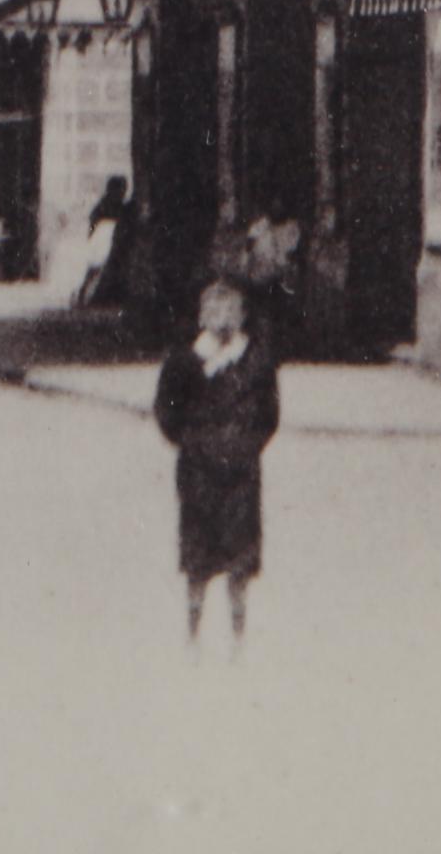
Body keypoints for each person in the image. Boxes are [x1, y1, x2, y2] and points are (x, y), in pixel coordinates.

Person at [152, 279, 279, 656]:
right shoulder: (184, 360)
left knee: (240, 559)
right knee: (198, 558)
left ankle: (238, 639)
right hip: (198, 473)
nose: (223, 318)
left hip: (241, 474)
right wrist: (194, 443)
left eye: (231, 310)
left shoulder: (255, 360)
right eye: (214, 310)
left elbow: (269, 415)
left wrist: (244, 445)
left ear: (242, 316)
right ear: (202, 316)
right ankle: (192, 637)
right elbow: (166, 411)